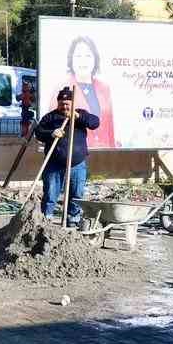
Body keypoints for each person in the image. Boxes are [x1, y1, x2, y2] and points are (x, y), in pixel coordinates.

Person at [33, 86, 101, 226]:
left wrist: (78, 116)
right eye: (61, 103)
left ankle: (72, 218)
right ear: (58, 103)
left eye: (67, 104)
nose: (64, 106)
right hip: (54, 164)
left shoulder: (81, 114)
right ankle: (47, 219)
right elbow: (39, 132)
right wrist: (51, 133)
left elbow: (95, 123)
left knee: (76, 194)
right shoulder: (50, 117)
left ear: (73, 103)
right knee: (51, 193)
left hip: (77, 163)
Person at [62, 36, 116, 148]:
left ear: (95, 59)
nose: (83, 60)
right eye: (78, 56)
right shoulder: (63, 88)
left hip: (104, 154)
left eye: (88, 55)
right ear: (71, 59)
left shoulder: (105, 88)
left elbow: (110, 128)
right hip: (75, 155)